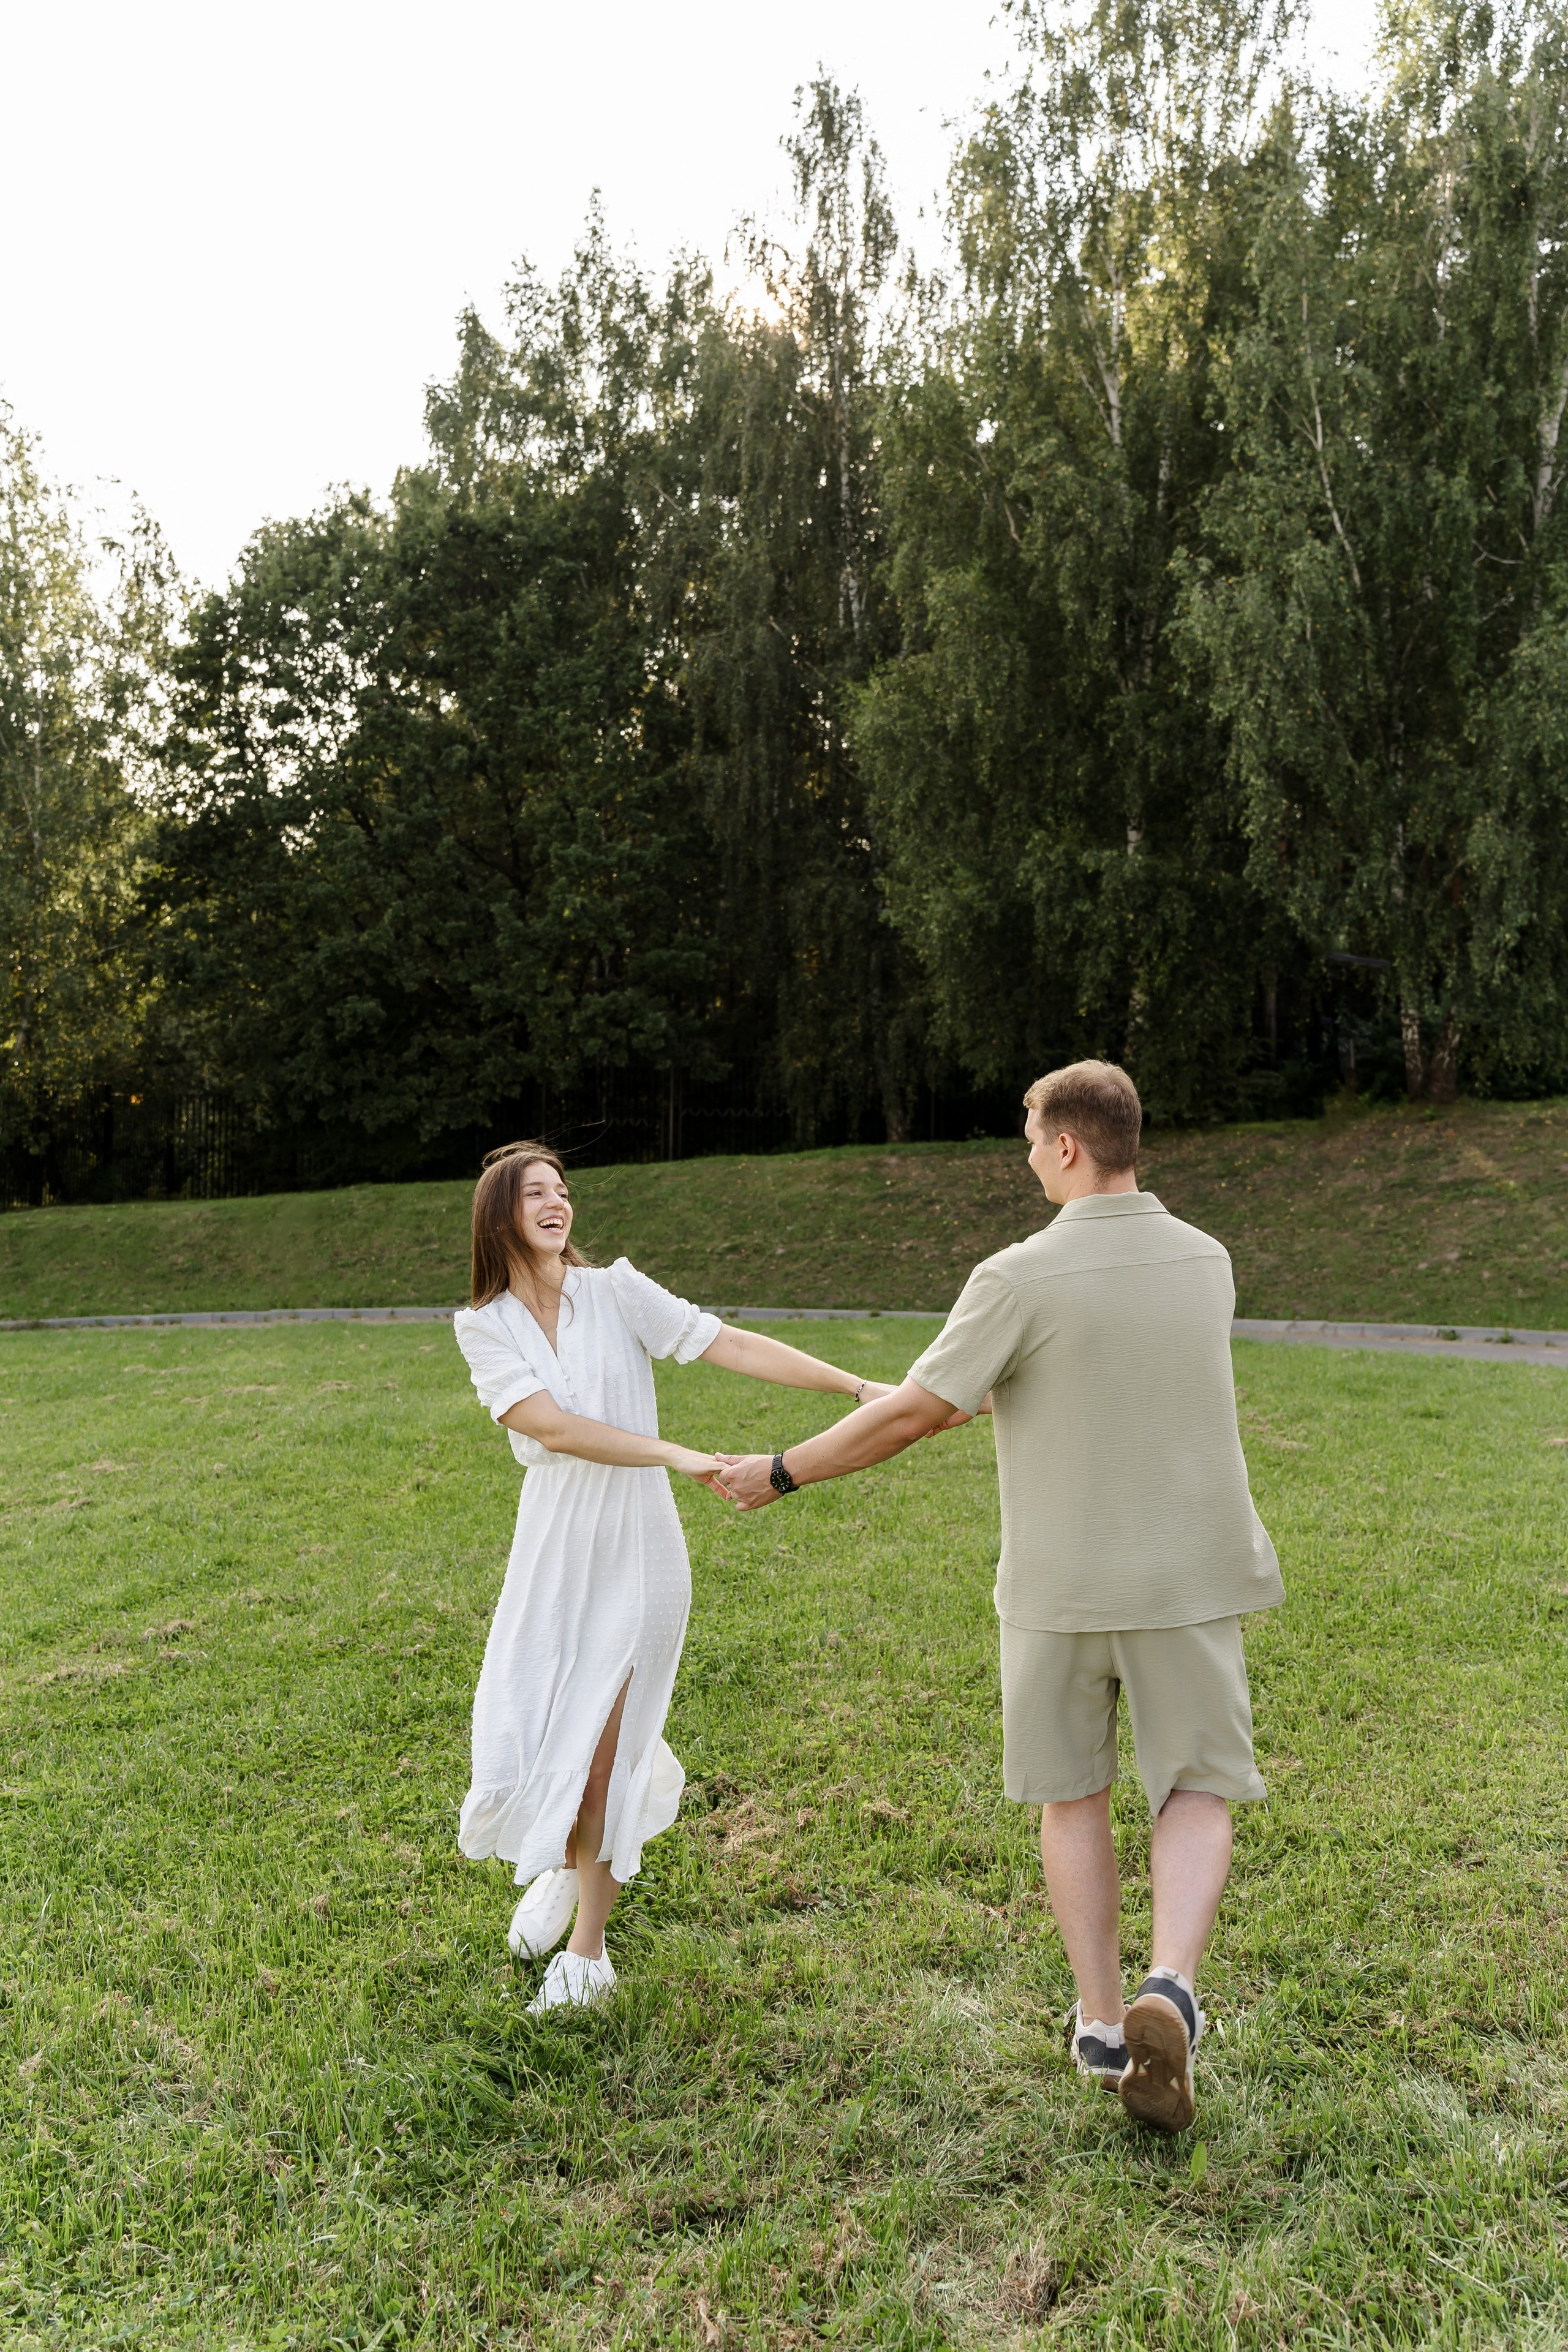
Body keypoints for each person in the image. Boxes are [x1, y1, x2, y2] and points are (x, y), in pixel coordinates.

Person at [717, 1061, 1283, 2132]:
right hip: (1192, 1577)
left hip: (1062, 1587)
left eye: (1030, 1138)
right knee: (1197, 1789)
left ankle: (1108, 2027)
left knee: (1071, 1794)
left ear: (1068, 1146)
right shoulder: (1208, 1263)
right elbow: (1060, 1378)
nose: (1026, 1156)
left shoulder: (1017, 1277)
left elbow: (917, 1415)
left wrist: (782, 1468)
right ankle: (1173, 1983)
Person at [451, 1140, 891, 2016]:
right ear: (499, 1213)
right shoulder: (483, 1324)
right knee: (545, 1728)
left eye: (564, 1189)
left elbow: (728, 1344)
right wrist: (675, 1451)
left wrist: (856, 1387)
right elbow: (557, 1428)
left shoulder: (616, 1290)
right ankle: (573, 1871)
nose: (557, 1202)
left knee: (607, 1743)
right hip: (554, 1548)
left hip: (639, 1548)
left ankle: (589, 1955)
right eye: (536, 1192)